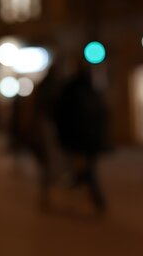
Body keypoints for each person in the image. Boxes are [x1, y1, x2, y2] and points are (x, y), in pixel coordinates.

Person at [53, 67, 109, 213]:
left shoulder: (70, 93)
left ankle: (85, 195)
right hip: (89, 141)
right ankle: (90, 197)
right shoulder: (91, 93)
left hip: (77, 141)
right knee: (85, 170)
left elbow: (60, 116)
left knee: (83, 171)